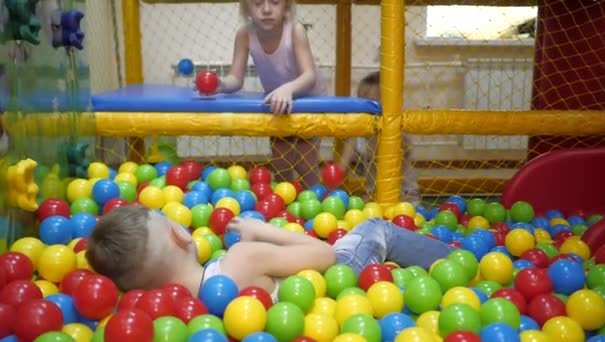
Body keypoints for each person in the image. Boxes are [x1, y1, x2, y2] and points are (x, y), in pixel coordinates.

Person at [86, 205, 455, 301]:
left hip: (327, 294)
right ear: (181, 237)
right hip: (343, 276)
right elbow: (325, 255)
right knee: (375, 228)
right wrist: (262, 230)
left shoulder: (187, 312)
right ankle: (449, 259)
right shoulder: (240, 258)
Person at [213, 0, 327, 188]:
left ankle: (314, 199)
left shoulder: (295, 30)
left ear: (286, 7)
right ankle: (285, 203)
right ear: (246, 8)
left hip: (308, 98)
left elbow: (309, 75)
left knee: (306, 159)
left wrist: (288, 88)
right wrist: (222, 84)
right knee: (281, 158)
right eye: (258, 4)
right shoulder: (245, 34)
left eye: (275, 2)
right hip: (278, 101)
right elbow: (236, 77)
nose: (266, 10)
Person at [339, 71, 420, 205]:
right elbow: (342, 165)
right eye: (361, 101)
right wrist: (335, 174)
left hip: (405, 195)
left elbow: (402, 149)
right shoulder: (357, 134)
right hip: (373, 194)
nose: (365, 108)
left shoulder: (397, 130)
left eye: (372, 103)